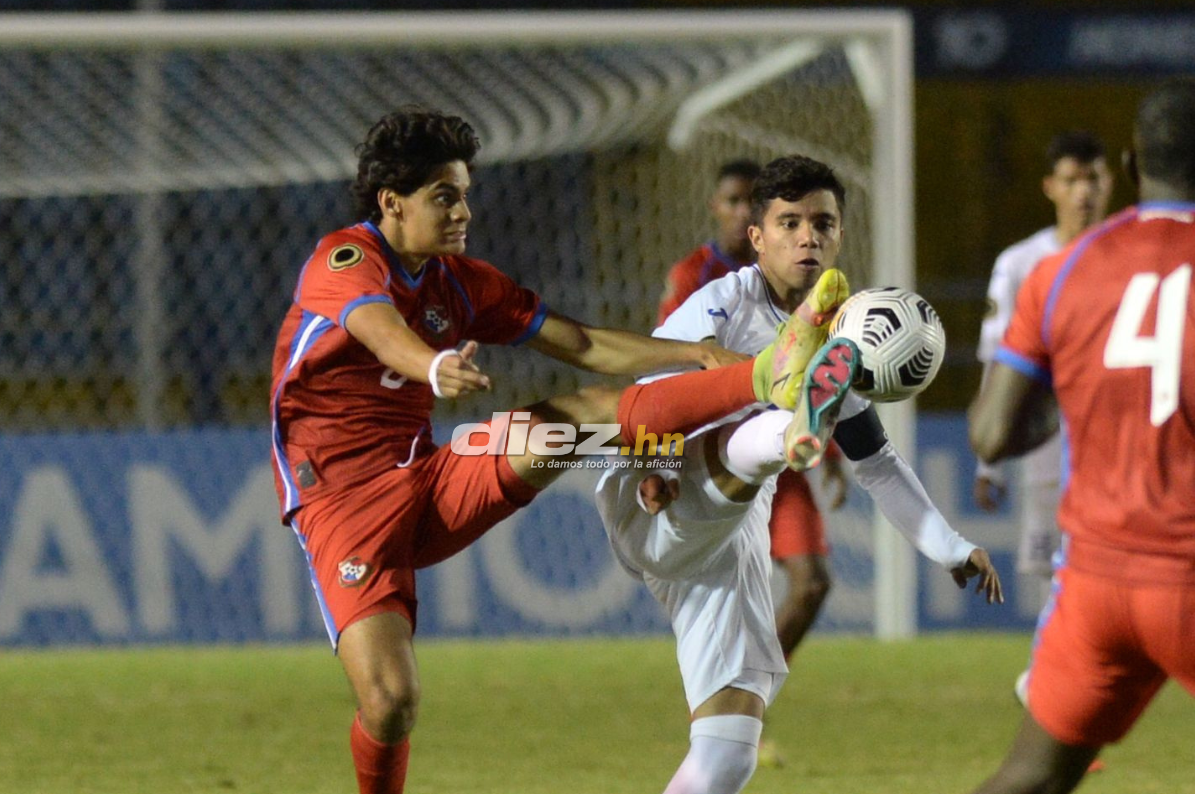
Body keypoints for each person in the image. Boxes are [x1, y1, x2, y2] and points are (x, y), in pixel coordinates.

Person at [269, 106, 823, 794]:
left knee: (566, 424)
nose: (463, 210)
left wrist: (700, 353)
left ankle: (758, 379)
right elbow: (377, 327)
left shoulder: (460, 282)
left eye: (466, 193)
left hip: (429, 477)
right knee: (391, 703)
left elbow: (583, 344)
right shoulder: (343, 259)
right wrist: (434, 366)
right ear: (392, 203)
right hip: (342, 504)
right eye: (445, 196)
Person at [599, 155, 1004, 794]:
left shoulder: (856, 334)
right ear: (755, 238)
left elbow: (879, 465)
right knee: (758, 435)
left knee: (728, 754)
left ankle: (797, 416)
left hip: (726, 544)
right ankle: (795, 416)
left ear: (841, 235)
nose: (807, 236)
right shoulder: (721, 302)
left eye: (822, 222)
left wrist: (950, 545)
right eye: (788, 223)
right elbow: (649, 391)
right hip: (657, 491)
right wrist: (654, 463)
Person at [965, 78, 1195, 794]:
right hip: (1188, 572)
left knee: (1028, 779)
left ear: (1129, 165)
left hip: (1096, 582)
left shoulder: (1058, 272)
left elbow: (992, 433)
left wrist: (1075, 393)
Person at [658, 160, 849, 695]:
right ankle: (720, 709)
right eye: (734, 201)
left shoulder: (813, 288)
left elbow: (821, 373)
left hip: (781, 455)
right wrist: (662, 458)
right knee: (724, 594)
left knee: (810, 585)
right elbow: (667, 368)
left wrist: (832, 457)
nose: (743, 209)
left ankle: (749, 698)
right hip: (710, 455)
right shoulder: (696, 280)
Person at [971, 130, 1114, 704]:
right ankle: (1055, 695)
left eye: (1094, 178)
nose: (1085, 192)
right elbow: (996, 362)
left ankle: (1054, 696)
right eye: (1073, 180)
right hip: (1045, 450)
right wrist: (990, 459)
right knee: (1059, 577)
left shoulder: (1126, 252)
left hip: (1113, 447)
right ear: (1051, 187)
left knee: (1092, 577)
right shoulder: (1021, 264)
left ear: (1112, 182)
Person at [658, 159, 760, 324]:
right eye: (733, 201)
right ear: (715, 206)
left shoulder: (779, 267)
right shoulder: (692, 272)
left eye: (753, 201)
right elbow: (669, 343)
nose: (745, 212)